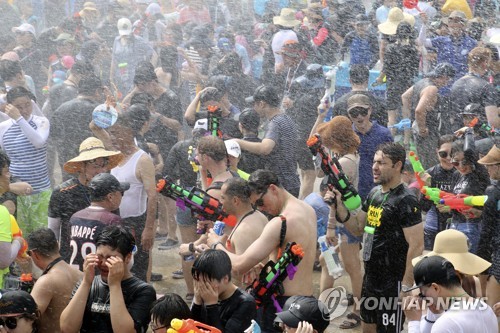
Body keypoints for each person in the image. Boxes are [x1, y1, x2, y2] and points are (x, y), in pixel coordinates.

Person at [330, 142, 423, 333]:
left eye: (381, 162)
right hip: (371, 279)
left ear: (397, 166)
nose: (374, 167)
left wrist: (406, 286)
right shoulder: (374, 194)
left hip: (393, 282)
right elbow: (357, 228)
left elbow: (417, 246)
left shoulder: (406, 199)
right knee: (368, 329)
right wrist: (339, 205)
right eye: (374, 161)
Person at [207, 169, 317, 332]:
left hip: (282, 306)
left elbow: (239, 266)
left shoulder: (281, 222)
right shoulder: (308, 210)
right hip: (306, 302)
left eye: (260, 202)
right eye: (256, 205)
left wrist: (216, 244)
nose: (262, 208)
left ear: (273, 189)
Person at [60, 225, 157, 333]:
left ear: (128, 257)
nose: (104, 263)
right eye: (100, 256)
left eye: (110, 258)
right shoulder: (88, 284)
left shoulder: (143, 291)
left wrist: (115, 285)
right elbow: (67, 328)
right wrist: (86, 283)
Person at [316, 116, 363, 329]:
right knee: (328, 261)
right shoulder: (349, 157)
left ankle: (358, 311)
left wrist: (331, 225)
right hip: (348, 217)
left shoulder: (344, 162)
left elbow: (336, 197)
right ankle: (322, 305)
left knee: (351, 266)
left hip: (345, 220)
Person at [48, 137, 123, 261]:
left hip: (102, 259)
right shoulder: (61, 192)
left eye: (104, 165)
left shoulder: (110, 189)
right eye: (95, 165)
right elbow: (53, 230)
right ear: (81, 166)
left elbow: (114, 225)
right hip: (71, 259)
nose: (101, 171)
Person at [108, 106, 158, 282]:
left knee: (138, 270)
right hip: (115, 221)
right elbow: (94, 126)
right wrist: (107, 108)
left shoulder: (143, 159)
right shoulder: (113, 155)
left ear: (129, 133)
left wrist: (149, 229)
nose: (112, 138)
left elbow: (152, 195)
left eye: (116, 133)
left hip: (136, 223)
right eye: (111, 133)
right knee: (116, 268)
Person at [0, 87, 50, 235]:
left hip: (41, 190)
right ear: (9, 106)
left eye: (27, 104)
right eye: (18, 106)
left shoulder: (41, 122)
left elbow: (38, 142)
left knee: (43, 237)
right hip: (16, 190)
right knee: (20, 237)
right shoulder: (3, 128)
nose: (24, 109)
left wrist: (19, 119)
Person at [235, 85, 301, 197]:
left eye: (254, 104)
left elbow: (265, 148)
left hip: (281, 184)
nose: (254, 108)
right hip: (292, 180)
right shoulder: (286, 119)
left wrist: (238, 142)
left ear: (262, 104)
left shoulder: (275, 123)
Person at [404, 256, 497, 333]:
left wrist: (413, 322)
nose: (426, 300)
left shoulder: (446, 323)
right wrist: (435, 315)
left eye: (423, 294)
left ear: (435, 288)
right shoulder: (487, 309)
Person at [27, 228, 82, 333]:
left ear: (35, 254)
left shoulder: (46, 282)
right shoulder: (81, 275)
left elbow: (26, 321)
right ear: (58, 245)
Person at [402, 63, 456, 169]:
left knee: (423, 161)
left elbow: (405, 96)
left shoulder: (421, 83)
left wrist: (411, 114)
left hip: (416, 128)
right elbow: (419, 110)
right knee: (432, 165)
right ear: (444, 77)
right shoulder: (432, 88)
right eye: (447, 80)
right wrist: (423, 128)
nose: (446, 83)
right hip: (428, 132)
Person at [68, 173, 127, 270]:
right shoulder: (111, 220)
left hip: (77, 278)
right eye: (121, 193)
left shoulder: (75, 217)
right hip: (99, 279)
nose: (122, 196)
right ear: (110, 197)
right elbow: (121, 259)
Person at [50, 75, 104, 177]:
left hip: (69, 163)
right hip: (94, 165)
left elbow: (53, 136)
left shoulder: (61, 108)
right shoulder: (99, 111)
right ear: (97, 91)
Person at [191, 249, 257, 333]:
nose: (201, 286)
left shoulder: (245, 303)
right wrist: (197, 302)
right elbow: (190, 328)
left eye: (206, 282)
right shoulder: (203, 293)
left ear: (225, 278)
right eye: (197, 281)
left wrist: (211, 306)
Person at [219, 178, 267, 281]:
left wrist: (216, 246)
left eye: (223, 198)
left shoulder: (244, 230)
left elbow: (242, 275)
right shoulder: (258, 215)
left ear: (235, 200)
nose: (220, 202)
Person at [448, 140, 490, 254]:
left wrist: (480, 212)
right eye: (456, 162)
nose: (461, 166)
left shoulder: (480, 174)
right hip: (455, 224)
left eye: (465, 161)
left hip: (474, 226)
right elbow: (453, 199)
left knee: (470, 267)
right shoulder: (456, 175)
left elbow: (493, 204)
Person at [420, 135, 456, 251]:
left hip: (457, 227)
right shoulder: (430, 174)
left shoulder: (463, 174)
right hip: (434, 228)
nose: (449, 158)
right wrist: (425, 188)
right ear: (437, 151)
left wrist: (452, 207)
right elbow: (423, 207)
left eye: (453, 153)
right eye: (443, 154)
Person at [450, 47, 500, 130]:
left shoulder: (456, 84)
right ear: (485, 63)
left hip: (459, 133)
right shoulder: (486, 87)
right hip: (479, 136)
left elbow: (453, 116)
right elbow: (493, 122)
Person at [477, 145, 500, 312]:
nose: (486, 169)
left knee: (492, 313)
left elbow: (486, 231)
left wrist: (482, 265)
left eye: (489, 165)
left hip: (498, 256)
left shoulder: (492, 192)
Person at [0, 151, 25, 290]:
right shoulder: (1, 212)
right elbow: (3, 260)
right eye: (6, 172)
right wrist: (17, 242)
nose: (9, 176)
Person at [237, 109, 266, 174]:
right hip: (262, 182)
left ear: (240, 126)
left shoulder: (235, 147)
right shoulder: (266, 147)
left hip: (241, 183)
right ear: (258, 126)